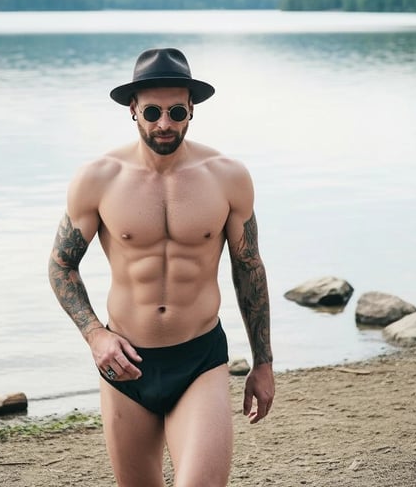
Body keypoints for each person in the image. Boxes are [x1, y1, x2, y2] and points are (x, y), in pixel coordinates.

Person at [49, 47, 274, 487]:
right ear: (133, 109)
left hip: (199, 359)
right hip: (125, 364)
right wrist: (95, 335)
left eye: (176, 111)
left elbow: (249, 268)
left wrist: (262, 362)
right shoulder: (98, 178)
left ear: (192, 109)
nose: (165, 123)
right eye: (152, 111)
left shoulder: (227, 176)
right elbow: (61, 266)